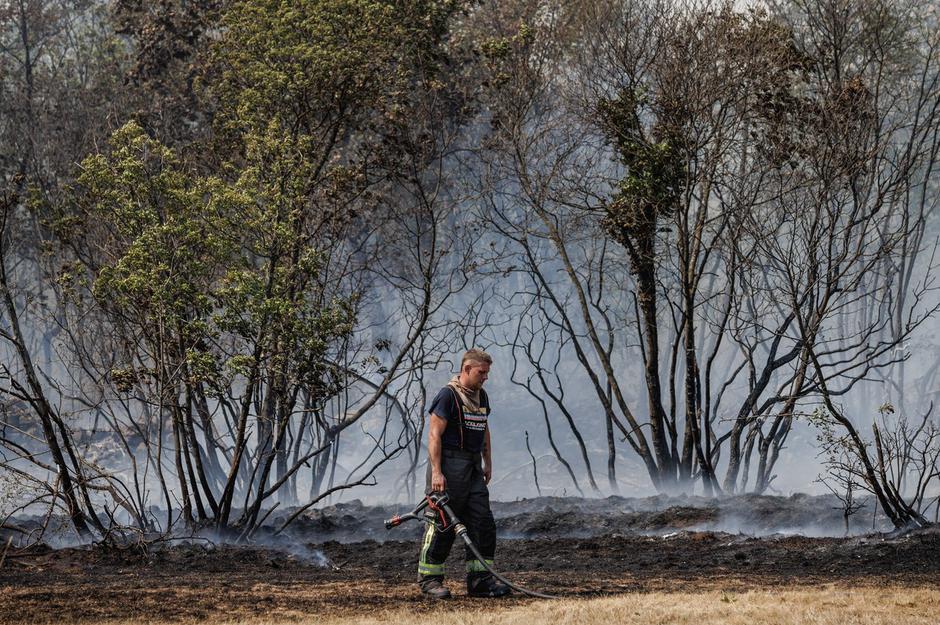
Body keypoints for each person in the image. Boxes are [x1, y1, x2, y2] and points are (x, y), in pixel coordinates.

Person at [416, 348, 510, 599]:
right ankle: (430, 581)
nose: (485, 377)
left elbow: (484, 428)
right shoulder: (447, 396)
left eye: (487, 373)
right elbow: (434, 435)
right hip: (448, 467)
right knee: (443, 524)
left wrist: (487, 462)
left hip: (472, 468)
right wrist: (437, 472)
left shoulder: (482, 396)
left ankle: (480, 581)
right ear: (467, 369)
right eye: (482, 372)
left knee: (483, 523)